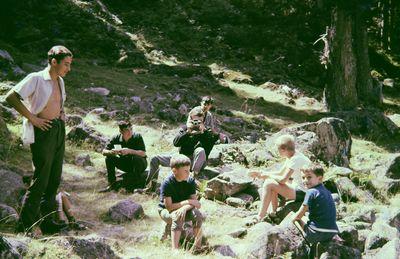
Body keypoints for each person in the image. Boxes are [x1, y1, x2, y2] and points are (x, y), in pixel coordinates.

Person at [6, 45, 72, 234]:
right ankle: (24, 226)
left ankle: (47, 221)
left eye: (69, 64)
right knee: (41, 179)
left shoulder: (60, 81)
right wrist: (32, 118)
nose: (69, 68)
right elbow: (11, 96)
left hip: (58, 130)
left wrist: (61, 114)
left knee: (54, 178)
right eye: (66, 64)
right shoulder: (36, 78)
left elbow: (58, 102)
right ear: (53, 62)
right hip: (43, 132)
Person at [145, 107, 219, 192]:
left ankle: (192, 179)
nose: (197, 123)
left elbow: (207, 150)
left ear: (203, 121)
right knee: (155, 159)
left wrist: (204, 133)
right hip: (181, 159)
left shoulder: (206, 132)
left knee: (200, 150)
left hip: (196, 162)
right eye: (195, 121)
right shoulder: (185, 129)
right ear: (190, 119)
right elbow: (176, 143)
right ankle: (150, 187)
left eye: (199, 121)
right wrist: (188, 132)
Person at [246, 134, 311, 225]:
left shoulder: (295, 159)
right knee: (271, 181)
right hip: (299, 187)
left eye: (278, 149)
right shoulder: (293, 155)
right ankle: (273, 213)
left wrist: (266, 176)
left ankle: (260, 216)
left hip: (304, 192)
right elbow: (280, 173)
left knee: (269, 184)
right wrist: (261, 173)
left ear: (283, 149)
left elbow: (283, 179)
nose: (277, 151)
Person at [158, 154, 204, 252]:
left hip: (184, 209)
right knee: (177, 215)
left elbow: (196, 203)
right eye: (185, 171)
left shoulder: (190, 181)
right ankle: (175, 249)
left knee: (197, 214)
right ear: (175, 171)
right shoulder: (167, 183)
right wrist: (187, 202)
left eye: (189, 170)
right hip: (166, 211)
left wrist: (184, 207)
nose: (189, 173)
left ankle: (197, 247)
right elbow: (169, 207)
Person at [292, 166, 339, 256]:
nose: (305, 180)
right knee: (308, 217)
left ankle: (310, 243)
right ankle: (319, 247)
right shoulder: (327, 192)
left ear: (320, 178)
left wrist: (293, 218)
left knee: (296, 218)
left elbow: (299, 214)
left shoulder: (311, 192)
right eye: (303, 177)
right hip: (331, 233)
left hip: (316, 233)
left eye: (309, 177)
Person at [100, 120, 147, 193]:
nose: (130, 132)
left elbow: (143, 153)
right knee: (109, 158)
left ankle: (137, 186)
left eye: (131, 129)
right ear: (121, 131)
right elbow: (103, 151)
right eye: (127, 130)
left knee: (136, 158)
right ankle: (112, 184)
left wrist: (129, 151)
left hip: (139, 164)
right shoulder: (116, 138)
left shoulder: (137, 137)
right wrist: (112, 152)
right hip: (125, 164)